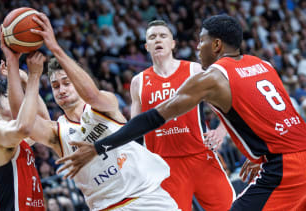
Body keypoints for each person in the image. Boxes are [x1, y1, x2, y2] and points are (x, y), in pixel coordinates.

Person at [56, 15, 306, 211]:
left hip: (281, 168)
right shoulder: (264, 65)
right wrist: (260, 154)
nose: (197, 47)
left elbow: (153, 117)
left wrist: (99, 147)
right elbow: (280, 117)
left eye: (202, 41)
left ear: (216, 45)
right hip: (289, 156)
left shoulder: (209, 77)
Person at [19, 12, 178, 211]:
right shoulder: (56, 131)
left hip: (147, 198)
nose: (62, 89)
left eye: (67, 83)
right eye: (56, 86)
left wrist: (55, 48)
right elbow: (24, 126)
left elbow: (92, 95)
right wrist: (31, 78)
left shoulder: (103, 104)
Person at [125, 20, 234, 210]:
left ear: (173, 43)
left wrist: (221, 131)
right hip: (163, 166)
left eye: (162, 35)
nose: (157, 39)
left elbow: (228, 104)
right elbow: (134, 130)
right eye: (152, 37)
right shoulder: (138, 82)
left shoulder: (194, 70)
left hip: (201, 157)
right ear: (147, 46)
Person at [0, 49, 47, 210]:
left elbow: (44, 124)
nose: (13, 96)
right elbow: (25, 127)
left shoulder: (14, 139)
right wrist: (34, 77)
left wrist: (26, 79)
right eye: (7, 96)